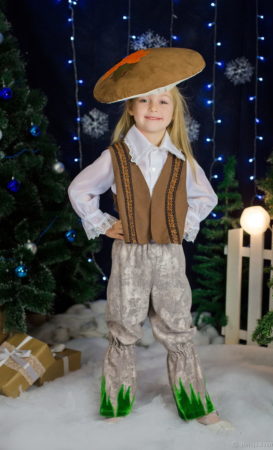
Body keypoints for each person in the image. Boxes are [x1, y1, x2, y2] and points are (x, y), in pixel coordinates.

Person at [68, 48, 234, 431]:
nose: (153, 108)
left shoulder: (183, 161)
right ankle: (116, 406)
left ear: (173, 111)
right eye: (144, 100)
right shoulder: (117, 156)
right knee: (123, 329)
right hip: (130, 256)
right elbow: (80, 190)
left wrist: (181, 223)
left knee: (178, 329)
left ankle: (196, 407)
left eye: (163, 101)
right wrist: (103, 222)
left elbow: (205, 198)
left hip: (170, 257)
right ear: (130, 109)